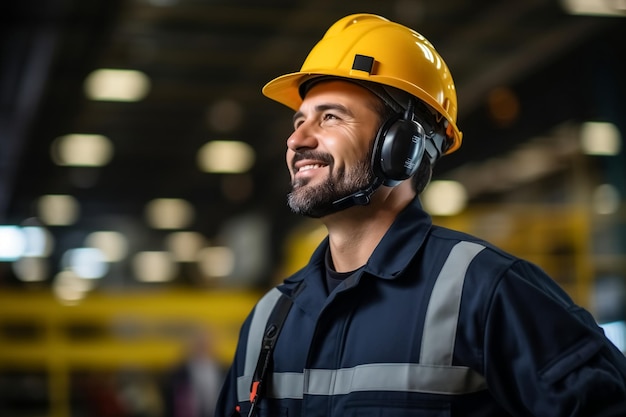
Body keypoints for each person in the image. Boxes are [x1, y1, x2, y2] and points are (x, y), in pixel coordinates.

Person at [215, 13, 626, 417]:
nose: (296, 139)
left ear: (402, 146)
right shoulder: (267, 321)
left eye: (330, 117)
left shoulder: (487, 292)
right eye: (299, 120)